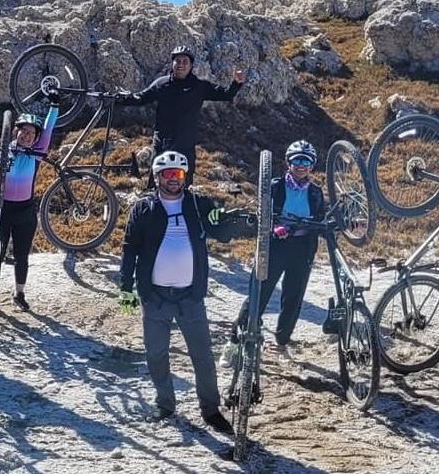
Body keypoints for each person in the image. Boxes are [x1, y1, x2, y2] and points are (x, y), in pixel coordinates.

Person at [117, 150, 235, 432]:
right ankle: (165, 404)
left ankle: (211, 410)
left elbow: (223, 234)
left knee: (203, 356)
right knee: (156, 354)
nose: (174, 179)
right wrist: (126, 289)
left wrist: (221, 219)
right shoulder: (143, 209)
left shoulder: (198, 204)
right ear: (157, 177)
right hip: (155, 297)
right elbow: (129, 248)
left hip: (190, 297)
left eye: (179, 173)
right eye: (168, 174)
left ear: (185, 176)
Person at [228, 140, 327, 359]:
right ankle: (234, 343)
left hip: (302, 249)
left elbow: (321, 220)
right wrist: (273, 227)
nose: (301, 166)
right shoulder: (274, 186)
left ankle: (281, 343)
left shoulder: (316, 193)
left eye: (306, 162)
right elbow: (262, 214)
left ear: (312, 166)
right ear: (288, 162)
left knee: (293, 298)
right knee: (258, 295)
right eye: (296, 160)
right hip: (275, 246)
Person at [118, 43, 245, 174]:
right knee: (157, 182)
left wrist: (236, 83)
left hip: (185, 146)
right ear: (172, 64)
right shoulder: (161, 84)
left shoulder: (199, 87)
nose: (181, 64)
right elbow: (140, 98)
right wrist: (119, 99)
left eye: (185, 61)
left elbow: (226, 94)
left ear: (191, 66)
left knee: (184, 183)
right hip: (162, 144)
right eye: (177, 61)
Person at [0, 105, 58, 311]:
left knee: (22, 256)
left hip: (25, 212)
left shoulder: (36, 153)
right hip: (1, 210)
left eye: (32, 133)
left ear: (36, 137)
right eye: (24, 131)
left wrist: (54, 106)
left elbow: (48, 129)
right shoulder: (3, 150)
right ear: (16, 131)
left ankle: (19, 293)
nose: (27, 136)